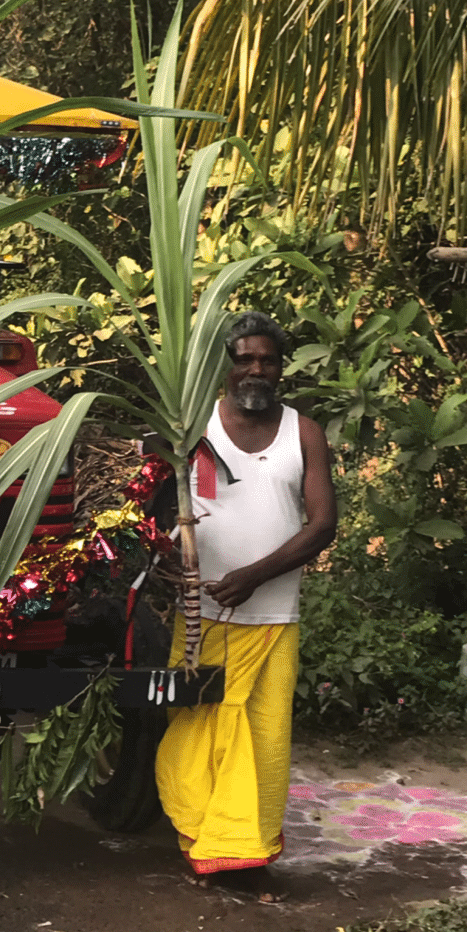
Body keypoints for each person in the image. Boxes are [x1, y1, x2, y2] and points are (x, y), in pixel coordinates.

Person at [154, 310, 337, 903]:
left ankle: (246, 851)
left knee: (261, 737)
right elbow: (152, 504)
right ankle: (201, 840)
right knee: (196, 730)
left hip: (273, 616)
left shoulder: (302, 432)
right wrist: (162, 553)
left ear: (282, 368)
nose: (256, 369)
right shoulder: (190, 429)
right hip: (199, 614)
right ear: (223, 367)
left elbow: (323, 524)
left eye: (268, 359)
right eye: (244, 359)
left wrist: (257, 576)